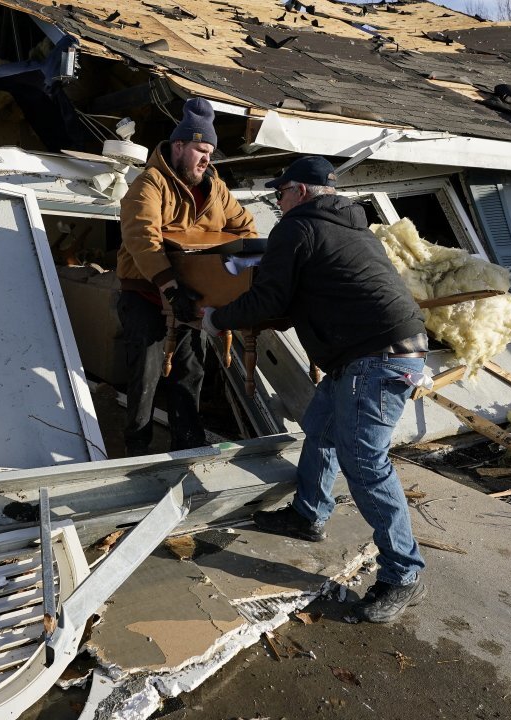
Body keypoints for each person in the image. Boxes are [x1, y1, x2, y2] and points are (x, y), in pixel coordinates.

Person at [201, 155, 429, 623]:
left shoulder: (298, 225)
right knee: (320, 428)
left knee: (365, 462)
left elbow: (270, 299)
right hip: (380, 353)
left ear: (300, 192)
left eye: (280, 193)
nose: (277, 203)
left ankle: (403, 574)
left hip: (376, 359)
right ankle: (308, 516)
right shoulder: (351, 225)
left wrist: (215, 317)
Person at [116, 98, 256, 455]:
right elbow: (141, 238)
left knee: (190, 373)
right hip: (148, 294)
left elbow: (245, 227)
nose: (206, 158)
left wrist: (242, 271)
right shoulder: (149, 185)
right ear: (179, 146)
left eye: (210, 151)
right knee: (145, 378)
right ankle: (137, 450)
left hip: (193, 297)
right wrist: (170, 287)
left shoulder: (216, 189)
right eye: (199, 150)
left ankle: (187, 448)